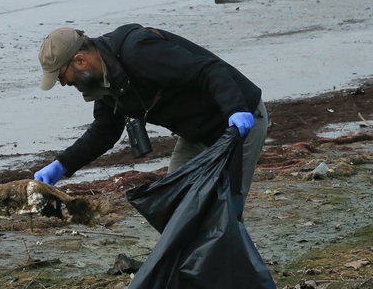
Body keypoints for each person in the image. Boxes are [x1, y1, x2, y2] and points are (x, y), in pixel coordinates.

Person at [34, 24, 266, 207]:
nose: (63, 84)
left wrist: (236, 109)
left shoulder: (139, 51)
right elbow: (105, 130)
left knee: (224, 209)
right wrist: (61, 164)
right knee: (174, 205)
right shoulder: (103, 84)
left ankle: (233, 266)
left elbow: (210, 70)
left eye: (61, 76)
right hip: (197, 133)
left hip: (238, 125)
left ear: (80, 60)